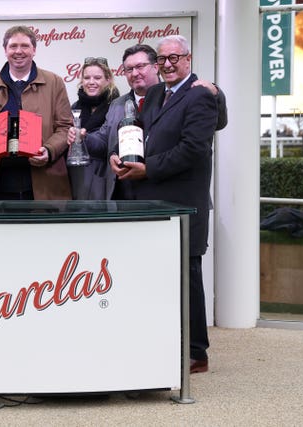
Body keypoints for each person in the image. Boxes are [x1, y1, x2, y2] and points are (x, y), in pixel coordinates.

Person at [109, 35, 222, 374]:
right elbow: (141, 133)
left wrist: (148, 169)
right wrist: (122, 157)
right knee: (156, 276)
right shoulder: (157, 92)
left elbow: (193, 149)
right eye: (163, 59)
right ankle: (162, 342)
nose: (169, 63)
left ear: (189, 58)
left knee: (187, 276)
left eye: (176, 57)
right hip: (150, 202)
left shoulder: (202, 94)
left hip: (183, 204)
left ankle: (196, 352)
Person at [69, 43, 227, 200]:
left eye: (140, 66)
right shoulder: (117, 104)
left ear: (155, 67)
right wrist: (89, 141)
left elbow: (214, 126)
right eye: (129, 69)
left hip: (173, 193)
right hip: (125, 193)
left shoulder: (188, 94)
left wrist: (216, 93)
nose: (135, 73)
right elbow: (106, 141)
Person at [0, 25, 72, 200]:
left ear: (34, 50)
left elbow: (65, 127)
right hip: (0, 185)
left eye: (25, 46)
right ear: (5, 50)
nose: (19, 51)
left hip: (44, 184)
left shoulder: (54, 82)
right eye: (13, 46)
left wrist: (49, 150)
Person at [69, 56, 119, 199]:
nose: (91, 82)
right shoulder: (75, 107)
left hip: (104, 176)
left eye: (97, 78)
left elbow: (108, 143)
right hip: (76, 175)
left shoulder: (116, 106)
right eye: (87, 78)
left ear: (108, 79)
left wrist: (84, 137)